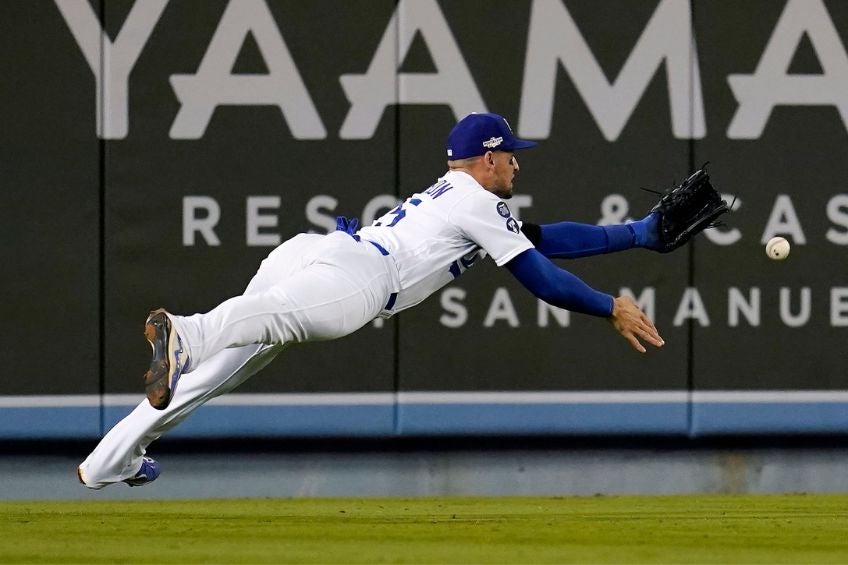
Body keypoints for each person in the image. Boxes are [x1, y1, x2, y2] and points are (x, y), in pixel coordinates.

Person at [77, 112, 664, 489]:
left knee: (215, 373)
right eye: (512, 153)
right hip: (359, 274)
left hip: (320, 250)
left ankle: (110, 460)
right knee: (236, 336)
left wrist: (633, 234)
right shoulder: (478, 203)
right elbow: (540, 278)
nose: (516, 161)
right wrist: (609, 306)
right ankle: (186, 330)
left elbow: (545, 238)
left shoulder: (464, 201)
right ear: (488, 158)